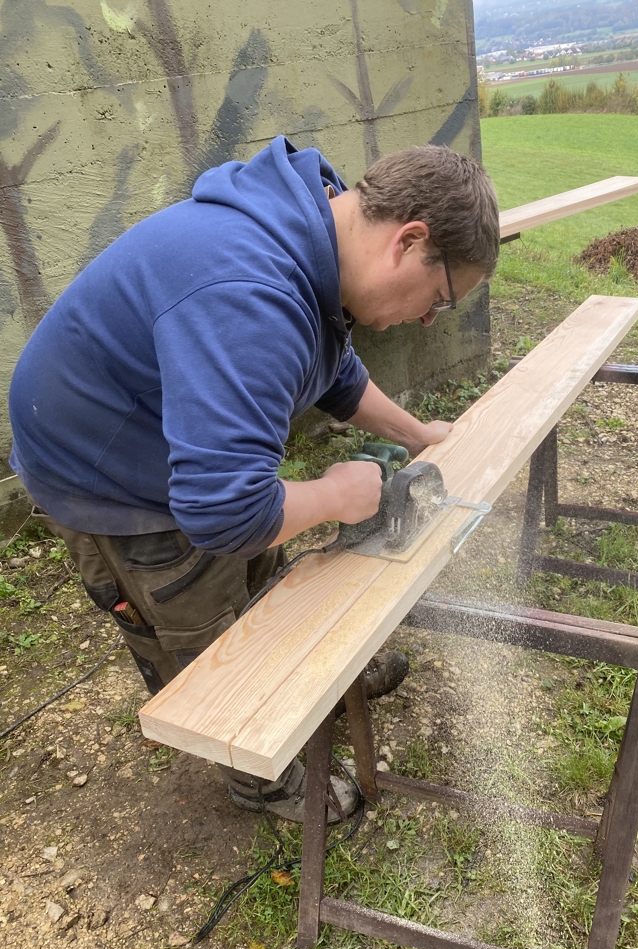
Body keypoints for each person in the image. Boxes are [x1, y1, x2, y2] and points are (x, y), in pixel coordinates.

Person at [9, 136, 499, 822]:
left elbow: (332, 366)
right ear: (409, 240)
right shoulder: (251, 297)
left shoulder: (312, 228)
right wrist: (332, 497)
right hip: (104, 471)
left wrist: (417, 434)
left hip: (166, 437)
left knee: (262, 575)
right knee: (202, 626)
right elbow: (222, 514)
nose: (427, 318)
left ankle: (314, 681)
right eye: (441, 300)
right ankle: (255, 775)